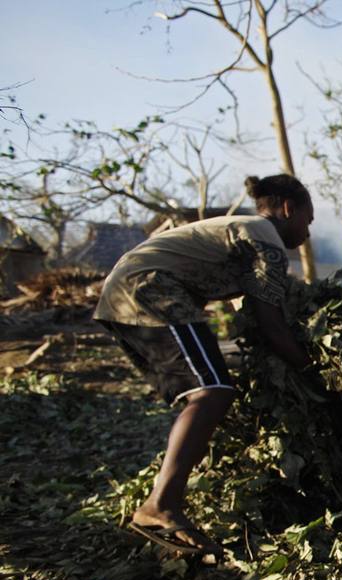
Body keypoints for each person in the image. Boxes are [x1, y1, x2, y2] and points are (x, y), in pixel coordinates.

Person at [94, 174, 315, 558]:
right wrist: (313, 371)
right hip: (149, 289)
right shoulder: (266, 238)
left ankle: (163, 501)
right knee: (212, 391)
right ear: (288, 209)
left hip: (124, 294)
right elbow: (271, 325)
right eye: (307, 222)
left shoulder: (239, 233)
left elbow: (249, 316)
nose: (307, 233)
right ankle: (160, 506)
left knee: (210, 389)